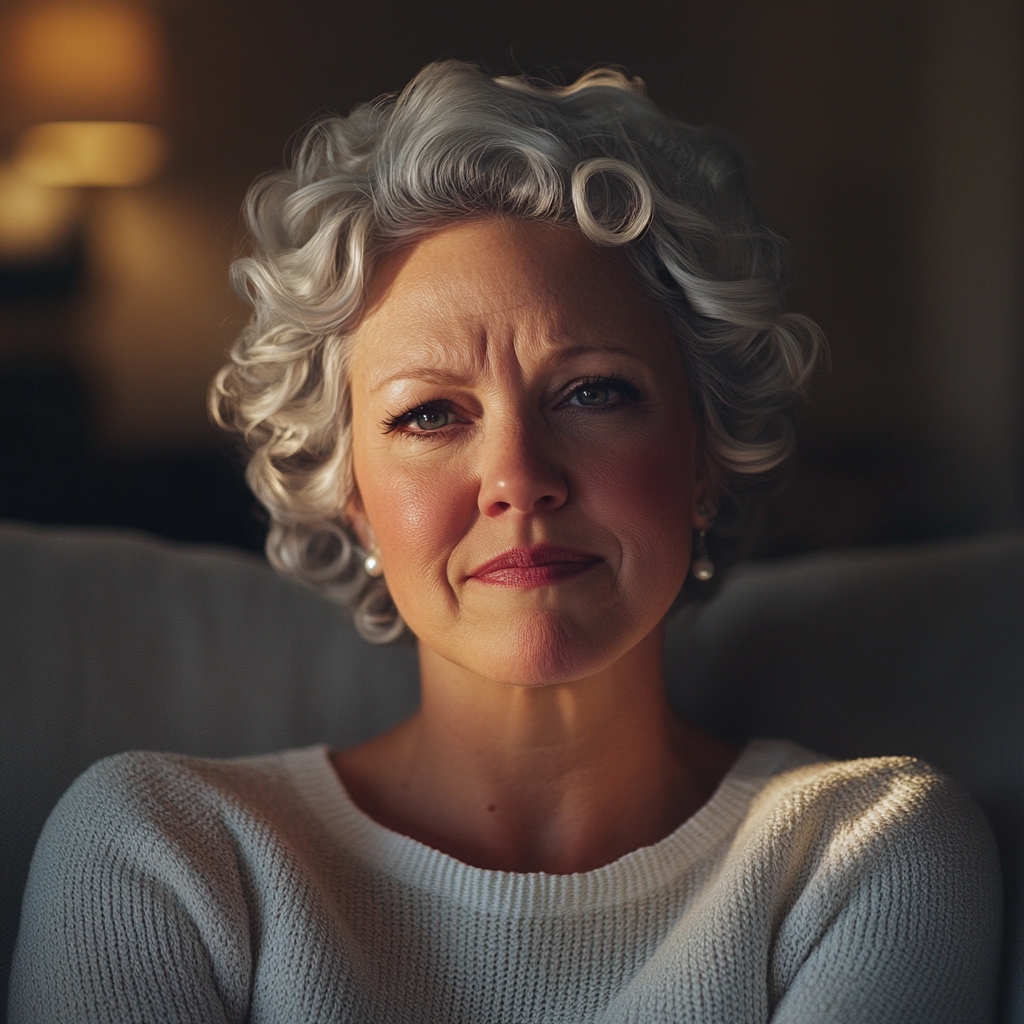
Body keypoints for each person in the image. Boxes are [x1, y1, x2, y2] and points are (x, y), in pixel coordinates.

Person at [9, 61, 1001, 1023]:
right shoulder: (163, 853)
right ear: (347, 494)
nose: (518, 476)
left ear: (705, 459)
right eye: (431, 414)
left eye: (592, 391)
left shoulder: (862, 852)